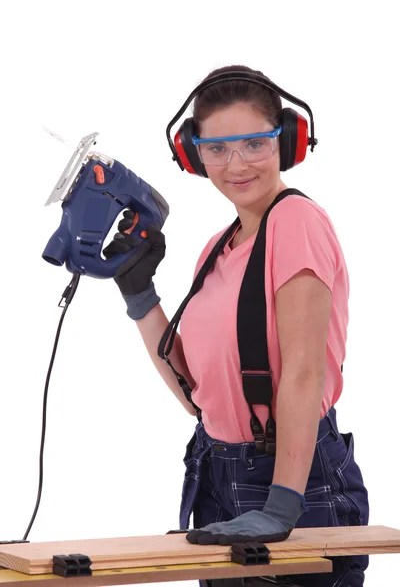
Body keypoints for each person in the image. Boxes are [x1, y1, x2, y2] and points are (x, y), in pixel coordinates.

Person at [103, 65, 369, 587]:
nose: (237, 163)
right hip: (216, 473)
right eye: (218, 148)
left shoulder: (297, 223)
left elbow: (302, 372)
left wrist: (283, 502)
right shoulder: (216, 248)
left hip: (291, 478)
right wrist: (139, 294)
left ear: (286, 142)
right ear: (193, 154)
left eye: (254, 143)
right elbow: (200, 395)